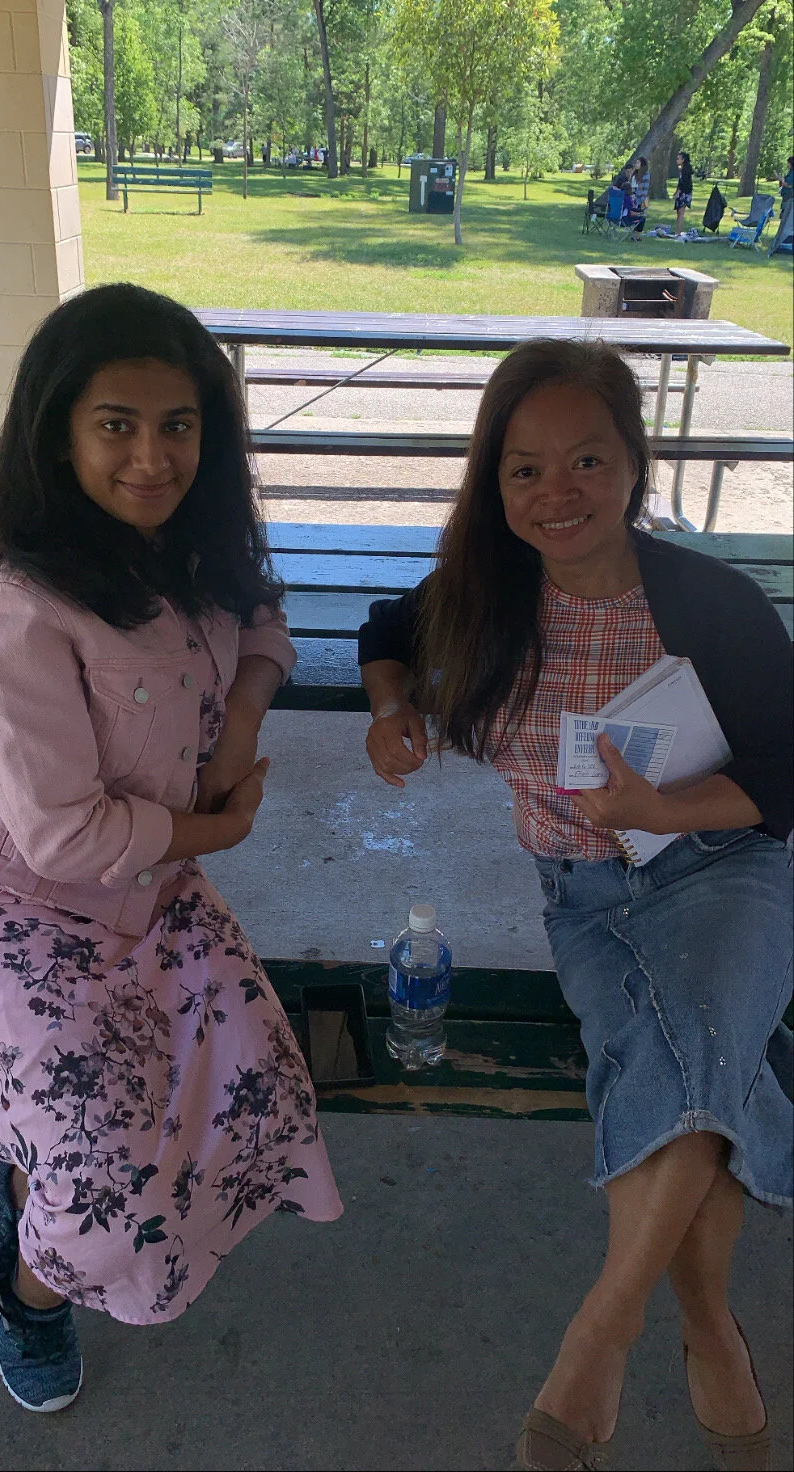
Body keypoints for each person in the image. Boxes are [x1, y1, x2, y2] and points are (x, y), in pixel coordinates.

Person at [358, 339, 792, 1472]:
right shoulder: (482, 595)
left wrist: (671, 802)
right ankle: (710, 1327)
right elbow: (381, 628)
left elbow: (788, 777)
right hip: (584, 900)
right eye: (525, 470)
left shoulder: (709, 599)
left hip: (727, 870)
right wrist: (390, 705)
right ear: (494, 487)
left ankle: (603, 1332)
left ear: (635, 464)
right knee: (705, 1069)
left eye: (589, 460)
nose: (559, 493)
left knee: (684, 1042)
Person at [0, 283, 342, 1411]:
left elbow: (263, 619)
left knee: (254, 1078)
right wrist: (214, 827)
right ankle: (33, 1292)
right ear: (58, 431)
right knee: (104, 1167)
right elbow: (61, 831)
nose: (151, 456)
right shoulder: (16, 603)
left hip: (154, 889)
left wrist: (243, 720)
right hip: (17, 902)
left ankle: (7, 1159)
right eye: (116, 424)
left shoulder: (191, 539)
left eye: (178, 424)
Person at [629, 155, 650, 239]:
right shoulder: (634, 174)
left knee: (642, 216)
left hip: (641, 198)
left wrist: (642, 199)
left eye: (638, 163)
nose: (636, 164)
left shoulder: (646, 175)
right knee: (635, 216)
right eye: (636, 163)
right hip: (633, 197)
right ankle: (635, 235)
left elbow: (645, 189)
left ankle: (637, 236)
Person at [674, 151, 694, 234]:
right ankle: (677, 231)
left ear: (683, 160)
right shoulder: (681, 169)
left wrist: (679, 191)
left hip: (685, 193)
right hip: (681, 192)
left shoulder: (686, 170)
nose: (677, 160)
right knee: (678, 212)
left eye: (678, 159)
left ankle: (678, 232)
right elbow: (680, 182)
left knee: (681, 212)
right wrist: (676, 191)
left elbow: (685, 183)